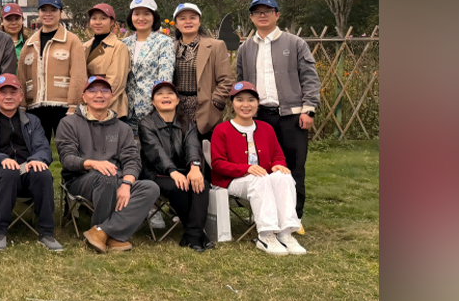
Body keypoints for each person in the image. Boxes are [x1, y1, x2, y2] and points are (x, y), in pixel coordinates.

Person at [234, 0, 321, 220]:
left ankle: (294, 217)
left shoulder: (295, 43)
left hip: (292, 116)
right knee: (261, 166)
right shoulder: (245, 48)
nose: (262, 15)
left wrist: (308, 109)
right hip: (260, 117)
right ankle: (265, 215)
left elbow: (310, 77)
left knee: (294, 166)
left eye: (268, 11)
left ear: (277, 15)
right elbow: (241, 82)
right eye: (257, 12)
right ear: (251, 17)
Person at [57, 76, 160, 254]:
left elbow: (132, 160)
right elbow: (67, 158)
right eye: (93, 90)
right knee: (106, 176)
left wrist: (127, 184)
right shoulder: (69, 123)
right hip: (80, 180)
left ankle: (102, 232)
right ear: (84, 96)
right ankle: (110, 232)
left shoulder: (123, 128)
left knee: (151, 188)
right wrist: (93, 164)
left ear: (111, 97)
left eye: (104, 91)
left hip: (117, 179)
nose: (99, 95)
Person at [210, 81, 307, 255]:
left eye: (251, 100)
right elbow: (218, 164)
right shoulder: (222, 130)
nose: (245, 105)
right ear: (232, 103)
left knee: (284, 177)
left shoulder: (266, 128)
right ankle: (266, 235)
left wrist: (278, 165)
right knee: (259, 179)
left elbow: (278, 155)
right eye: (240, 100)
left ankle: (285, 233)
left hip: (262, 178)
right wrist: (246, 169)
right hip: (232, 181)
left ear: (258, 103)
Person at [0, 73, 60, 252]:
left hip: (27, 168)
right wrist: (2, 159)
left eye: (13, 92)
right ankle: (0, 231)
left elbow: (44, 148)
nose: (8, 97)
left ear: (21, 96)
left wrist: (36, 160)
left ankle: (46, 233)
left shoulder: (33, 121)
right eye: (3, 92)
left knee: (43, 173)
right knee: (9, 172)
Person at [138, 80, 212, 252]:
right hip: (156, 173)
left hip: (183, 171)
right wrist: (172, 171)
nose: (165, 96)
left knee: (202, 184)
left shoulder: (187, 122)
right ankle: (198, 235)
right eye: (160, 94)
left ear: (178, 100)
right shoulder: (146, 123)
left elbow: (193, 146)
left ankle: (192, 234)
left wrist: (195, 167)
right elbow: (156, 152)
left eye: (170, 93)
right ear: (153, 101)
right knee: (179, 186)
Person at [18, 0, 87, 140]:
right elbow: (22, 76)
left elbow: (78, 74)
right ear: (38, 13)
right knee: (37, 148)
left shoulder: (72, 41)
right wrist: (22, 106)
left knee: (68, 147)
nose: (48, 14)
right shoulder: (29, 44)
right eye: (44, 10)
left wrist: (74, 105)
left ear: (60, 12)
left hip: (63, 107)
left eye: (53, 10)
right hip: (35, 107)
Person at [170, 3, 233, 138]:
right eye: (182, 18)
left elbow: (226, 80)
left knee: (204, 149)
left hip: (204, 111)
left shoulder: (215, 46)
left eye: (193, 18)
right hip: (176, 111)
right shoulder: (169, 47)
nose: (188, 21)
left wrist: (215, 103)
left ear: (199, 21)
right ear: (176, 24)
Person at [120, 0, 175, 132]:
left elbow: (165, 78)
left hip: (152, 111)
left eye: (146, 14)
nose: (141, 18)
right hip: (127, 112)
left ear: (154, 17)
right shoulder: (124, 43)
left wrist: (160, 105)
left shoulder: (164, 42)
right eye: (136, 14)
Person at [83, 3, 131, 119]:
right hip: (89, 108)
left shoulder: (119, 47)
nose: (98, 22)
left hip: (112, 109)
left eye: (103, 18)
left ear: (112, 22)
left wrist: (97, 102)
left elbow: (116, 81)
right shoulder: (85, 46)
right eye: (94, 18)